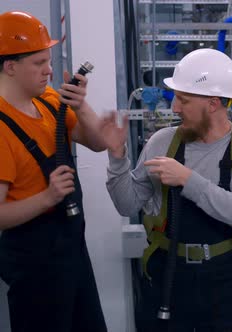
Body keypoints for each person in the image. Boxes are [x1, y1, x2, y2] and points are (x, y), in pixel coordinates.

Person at [106, 48, 232, 331]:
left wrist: (186, 178)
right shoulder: (162, 141)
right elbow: (127, 204)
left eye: (183, 99)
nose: (174, 109)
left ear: (213, 103)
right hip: (166, 276)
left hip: (222, 279)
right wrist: (117, 158)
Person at [0, 10, 126, 332]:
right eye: (38, 63)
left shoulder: (47, 100)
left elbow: (96, 143)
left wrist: (81, 105)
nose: (49, 70)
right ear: (10, 66)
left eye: (49, 60)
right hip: (34, 266)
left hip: (72, 254)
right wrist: (47, 197)